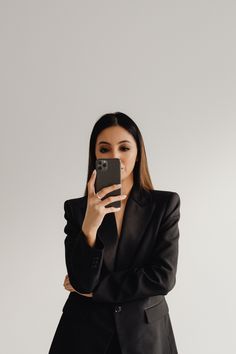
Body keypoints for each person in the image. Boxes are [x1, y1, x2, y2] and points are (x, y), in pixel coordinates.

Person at [48, 112, 181, 354]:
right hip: (85, 334)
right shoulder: (76, 209)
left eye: (124, 148)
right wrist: (90, 224)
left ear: (138, 152)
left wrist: (97, 290)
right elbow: (80, 281)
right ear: (95, 155)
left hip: (145, 335)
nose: (115, 157)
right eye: (105, 149)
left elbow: (163, 277)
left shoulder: (164, 205)